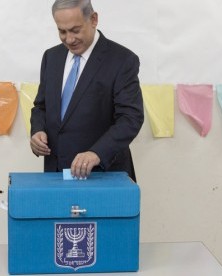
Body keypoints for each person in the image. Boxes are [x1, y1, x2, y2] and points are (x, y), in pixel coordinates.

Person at [30, 0, 144, 181]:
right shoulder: (51, 57)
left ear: (93, 19)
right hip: (56, 174)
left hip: (102, 174)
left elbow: (130, 118)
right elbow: (41, 106)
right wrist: (37, 130)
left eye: (75, 30)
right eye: (62, 31)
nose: (69, 39)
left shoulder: (122, 60)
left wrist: (96, 153)